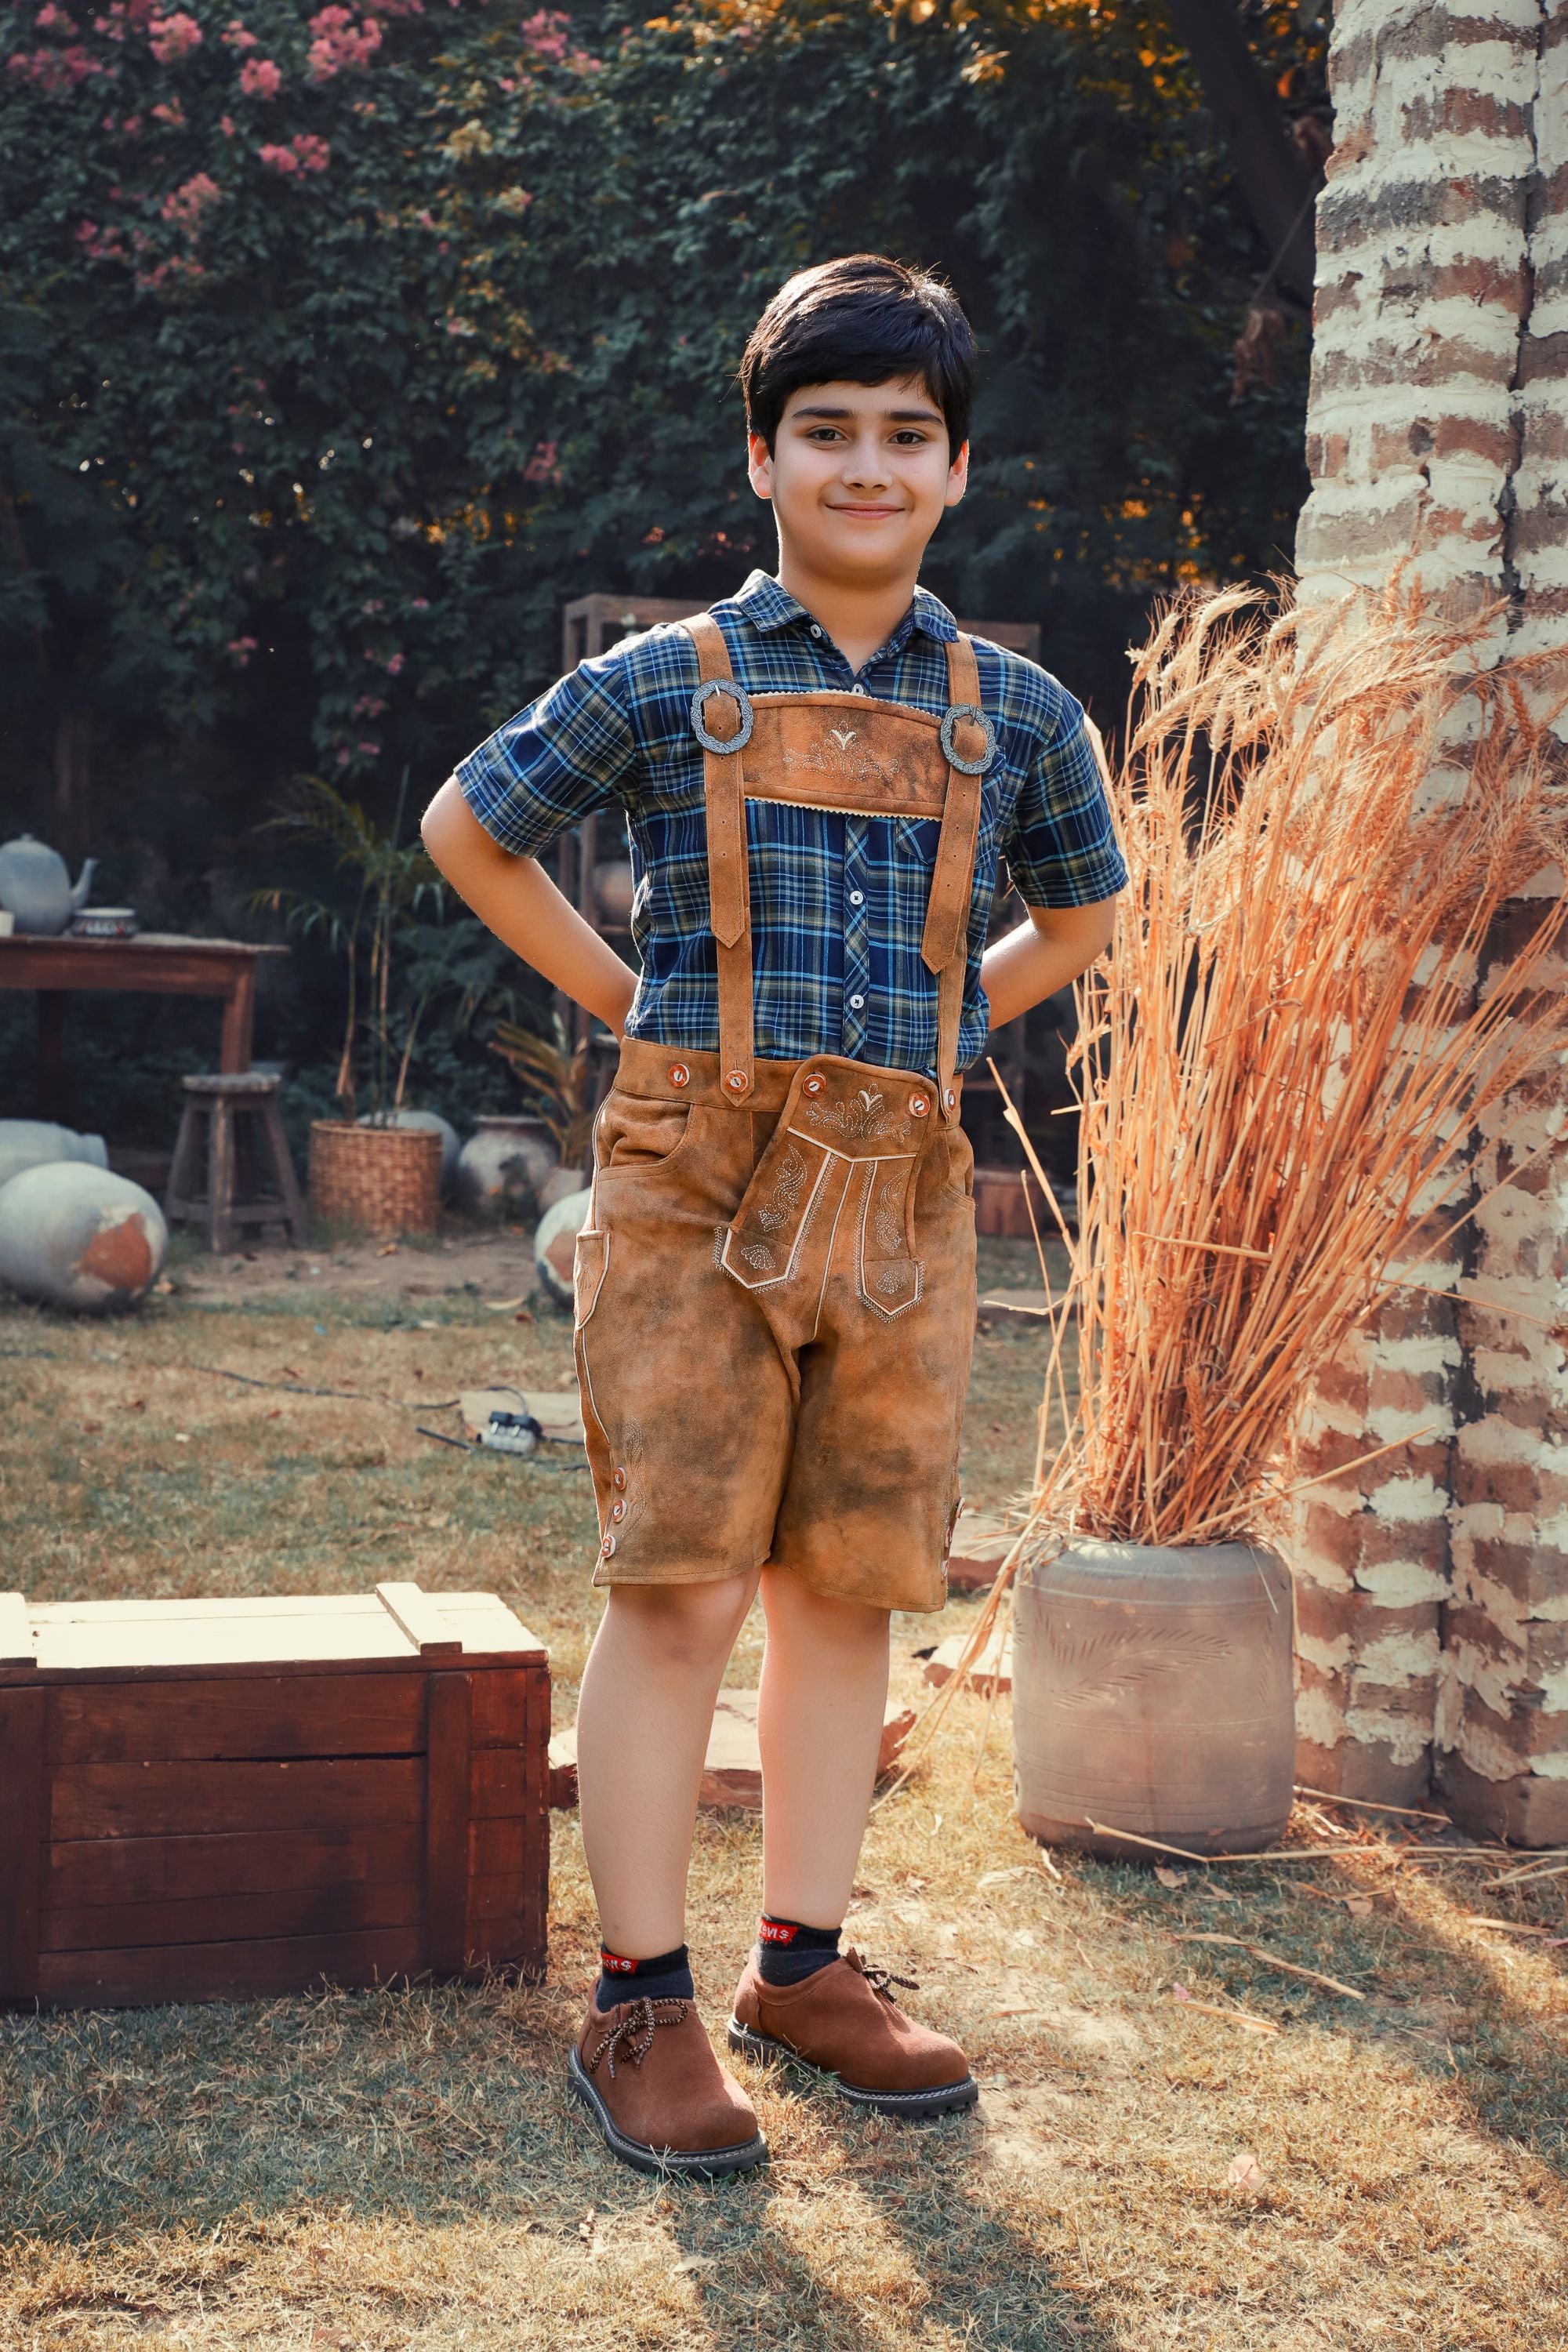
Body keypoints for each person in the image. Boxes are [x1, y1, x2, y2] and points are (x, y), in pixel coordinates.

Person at [422, 252, 1127, 2179]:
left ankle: (801, 1968)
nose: (868, 464)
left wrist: (937, 1015)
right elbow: (466, 824)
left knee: (846, 1591)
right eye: (830, 430)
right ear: (764, 455)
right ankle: (638, 1999)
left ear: (957, 471)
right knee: (678, 1585)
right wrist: (613, 997)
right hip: (689, 1182)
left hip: (900, 1189)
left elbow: (1079, 913)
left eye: (909, 435)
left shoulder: (1020, 713)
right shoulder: (670, 680)